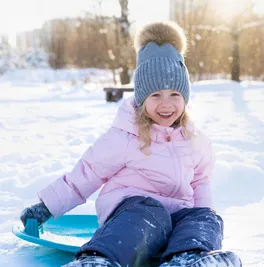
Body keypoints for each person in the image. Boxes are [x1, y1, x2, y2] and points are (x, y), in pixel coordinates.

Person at [19, 21, 242, 267]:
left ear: (185, 98)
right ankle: (98, 260)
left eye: (175, 95)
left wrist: (201, 220)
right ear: (141, 98)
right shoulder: (125, 136)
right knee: (148, 210)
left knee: (208, 218)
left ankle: (189, 258)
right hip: (130, 218)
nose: (166, 104)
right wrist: (47, 207)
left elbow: (200, 183)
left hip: (175, 220)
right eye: (155, 95)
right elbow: (87, 173)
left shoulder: (196, 140)